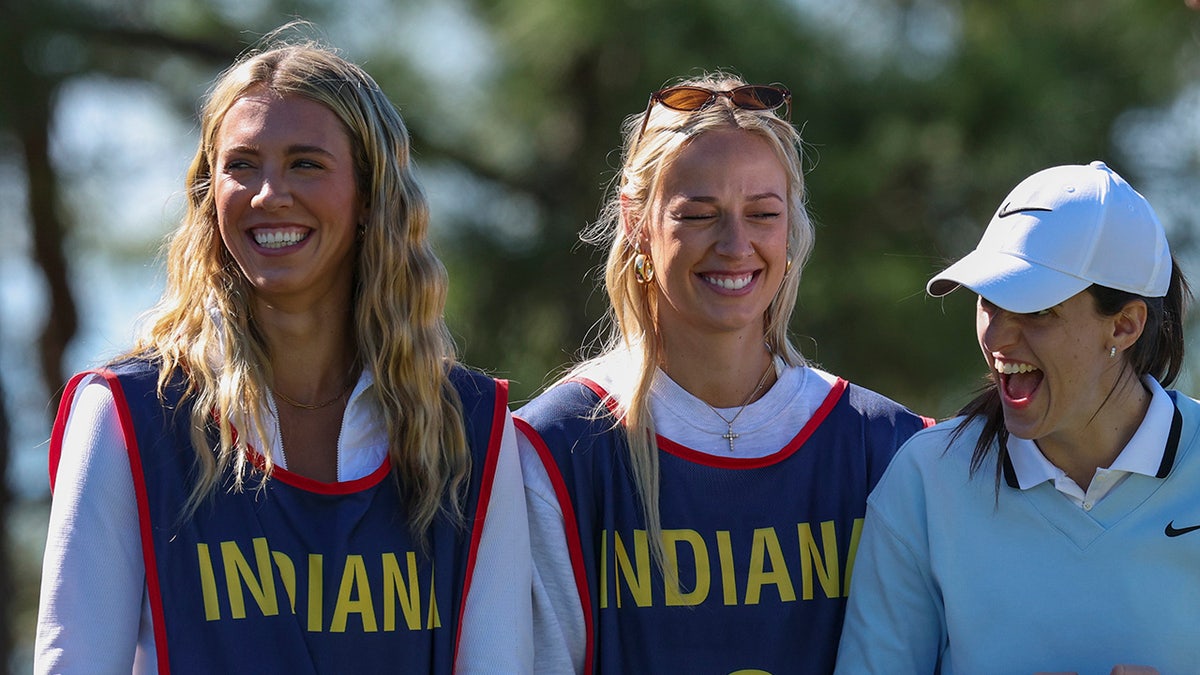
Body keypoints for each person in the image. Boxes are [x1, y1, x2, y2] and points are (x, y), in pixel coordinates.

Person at [34, 31, 533, 674]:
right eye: (241, 165)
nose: (269, 193)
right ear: (210, 197)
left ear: (369, 196)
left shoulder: (472, 429)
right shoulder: (128, 418)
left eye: (306, 163)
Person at [515, 73, 932, 674]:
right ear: (636, 221)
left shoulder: (891, 446)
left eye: (763, 213)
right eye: (700, 214)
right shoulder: (554, 449)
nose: (736, 245)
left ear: (792, 228)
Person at [835, 161, 1196, 675]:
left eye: (1035, 310)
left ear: (1124, 325)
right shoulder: (926, 479)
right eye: (989, 301)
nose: (998, 338)